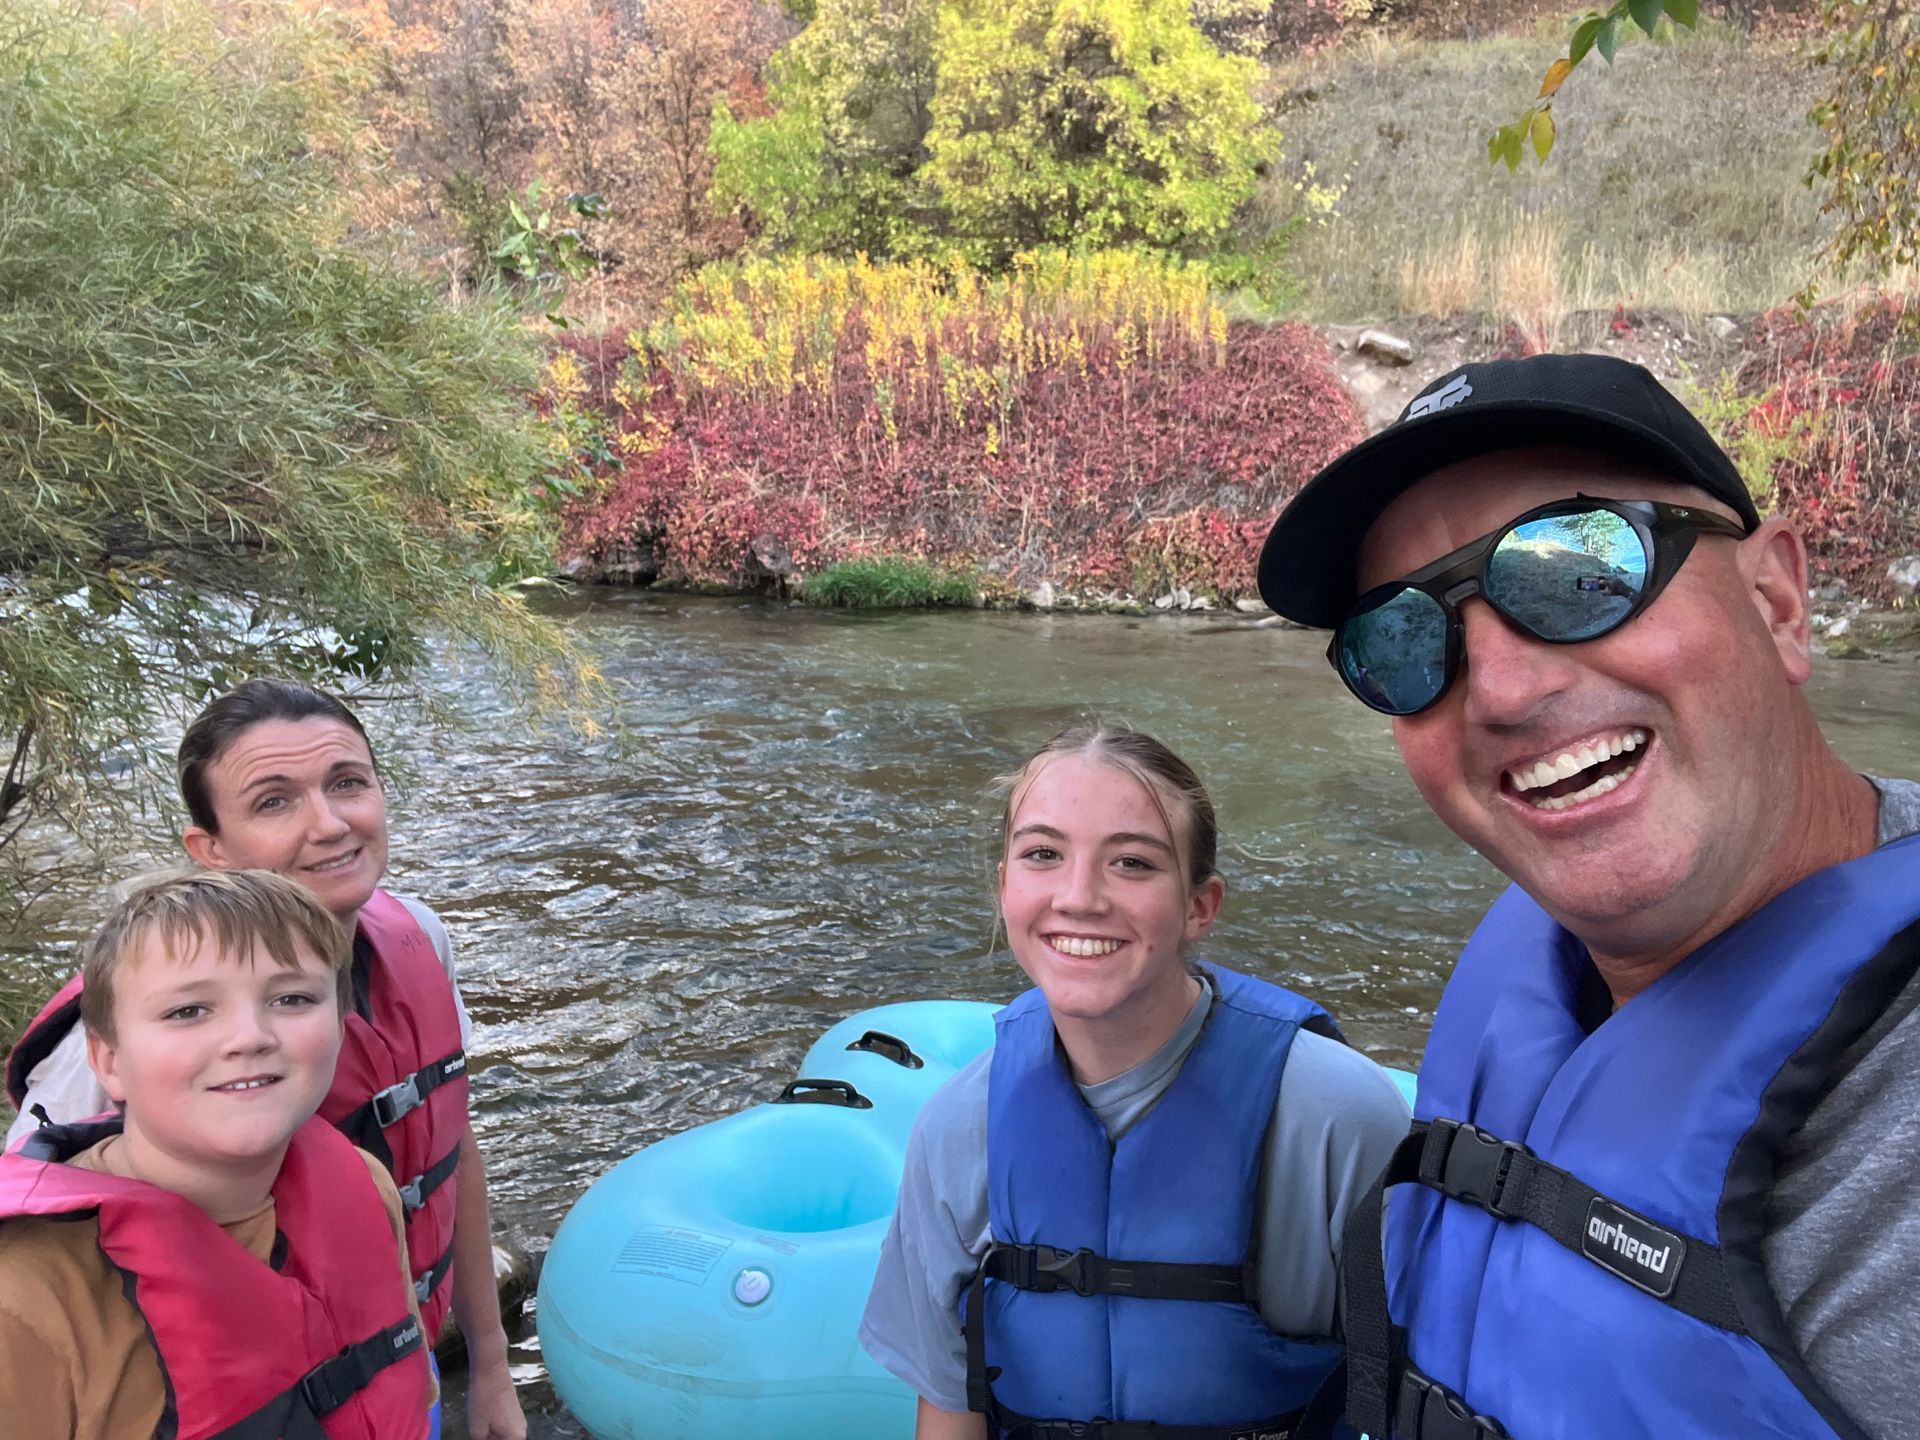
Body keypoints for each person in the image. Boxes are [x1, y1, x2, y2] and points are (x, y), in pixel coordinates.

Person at [1256, 352, 1920, 1440]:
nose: (1502, 692)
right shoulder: (1542, 973)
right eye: (1403, 639)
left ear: (1779, 601)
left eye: (1580, 569)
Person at [5, 679, 527, 1440]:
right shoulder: (111, 1041)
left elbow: (451, 1146)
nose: (329, 824)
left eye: (348, 783)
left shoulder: (419, 934)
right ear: (210, 851)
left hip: (394, 1366)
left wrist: (489, 1361)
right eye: (274, 801)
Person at [859, 724, 1410, 1440]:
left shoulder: (1337, 1119)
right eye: (1043, 854)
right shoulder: (958, 1128)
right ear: (1005, 888)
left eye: (1132, 863)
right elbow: (950, 1407)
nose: (1079, 897)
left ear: (1199, 906)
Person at [0, 868, 436, 1438]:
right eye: (188, 1011)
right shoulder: (26, 1301)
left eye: (292, 997)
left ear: (338, 1024)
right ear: (108, 1061)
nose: (249, 1036)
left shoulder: (363, 1180)